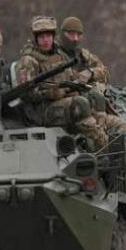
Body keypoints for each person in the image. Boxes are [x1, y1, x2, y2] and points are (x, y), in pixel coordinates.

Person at [16, 16, 107, 150]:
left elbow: (71, 76)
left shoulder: (60, 55)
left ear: (53, 37)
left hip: (63, 101)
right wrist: (52, 92)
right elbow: (26, 94)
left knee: (95, 97)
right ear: (36, 38)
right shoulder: (28, 61)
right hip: (42, 110)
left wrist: (80, 82)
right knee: (80, 104)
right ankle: (102, 147)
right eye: (41, 37)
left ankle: (99, 137)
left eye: (48, 36)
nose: (45, 40)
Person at [56, 16, 126, 140]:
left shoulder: (83, 55)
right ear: (63, 34)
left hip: (90, 107)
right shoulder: (54, 55)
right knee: (97, 136)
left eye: (78, 35)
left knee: (121, 126)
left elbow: (105, 72)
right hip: (69, 108)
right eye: (71, 34)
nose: (75, 39)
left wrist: (90, 73)